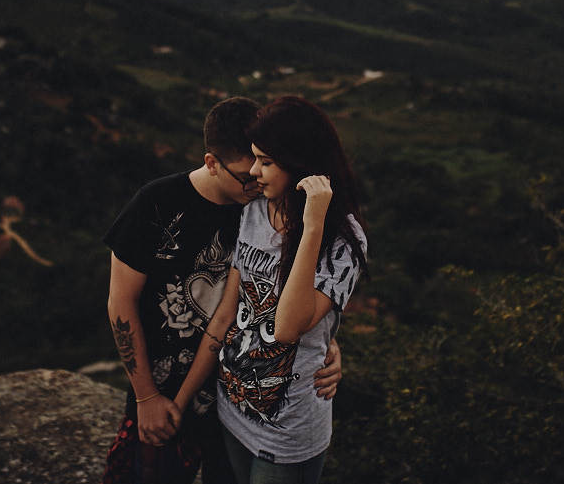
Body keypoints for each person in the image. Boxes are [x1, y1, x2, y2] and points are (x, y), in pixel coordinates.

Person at [103, 97, 342, 484]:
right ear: (212, 163)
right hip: (164, 392)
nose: (257, 183)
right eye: (246, 176)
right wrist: (145, 396)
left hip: (234, 401)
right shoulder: (156, 203)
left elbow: (290, 290)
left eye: (263, 167)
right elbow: (120, 302)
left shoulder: (263, 207)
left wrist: (325, 342)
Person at [210, 96, 368, 484]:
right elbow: (229, 312)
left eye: (266, 162)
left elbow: (287, 329)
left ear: (299, 164)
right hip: (231, 408)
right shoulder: (253, 211)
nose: (254, 171)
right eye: (254, 158)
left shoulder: (342, 240)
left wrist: (311, 226)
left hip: (287, 431)